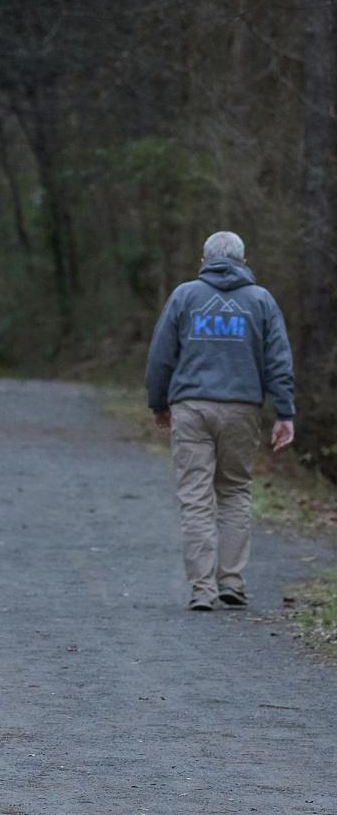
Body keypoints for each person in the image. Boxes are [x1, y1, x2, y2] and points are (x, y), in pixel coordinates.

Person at [145, 230, 295, 612]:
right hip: (243, 409)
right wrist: (284, 412)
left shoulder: (185, 296)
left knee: (195, 498)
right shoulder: (261, 301)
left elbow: (161, 356)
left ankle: (202, 590)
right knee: (234, 492)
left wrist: (158, 404)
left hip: (192, 409)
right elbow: (278, 361)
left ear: (204, 261)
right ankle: (231, 581)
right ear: (244, 261)